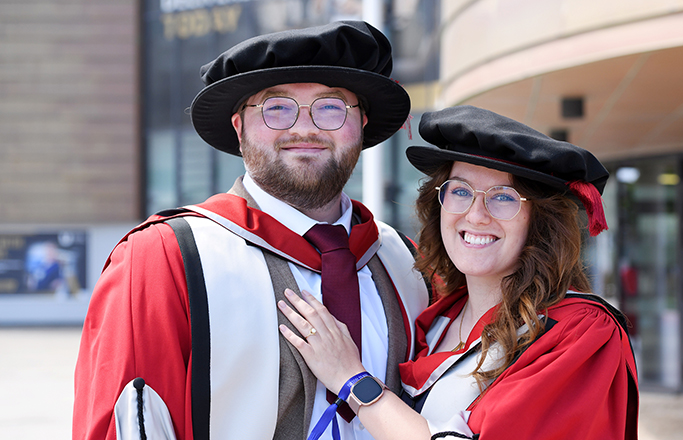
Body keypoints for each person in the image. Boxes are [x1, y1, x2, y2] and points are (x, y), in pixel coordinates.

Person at [73, 21, 429, 440]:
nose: (304, 127)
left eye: (331, 107)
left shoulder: (405, 261)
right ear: (240, 127)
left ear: (362, 124)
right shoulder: (166, 257)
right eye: (277, 107)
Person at [278, 105, 639, 440]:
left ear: (539, 222)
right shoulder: (438, 315)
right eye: (460, 191)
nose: (476, 215)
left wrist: (349, 378)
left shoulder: (579, 332)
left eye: (503, 197)